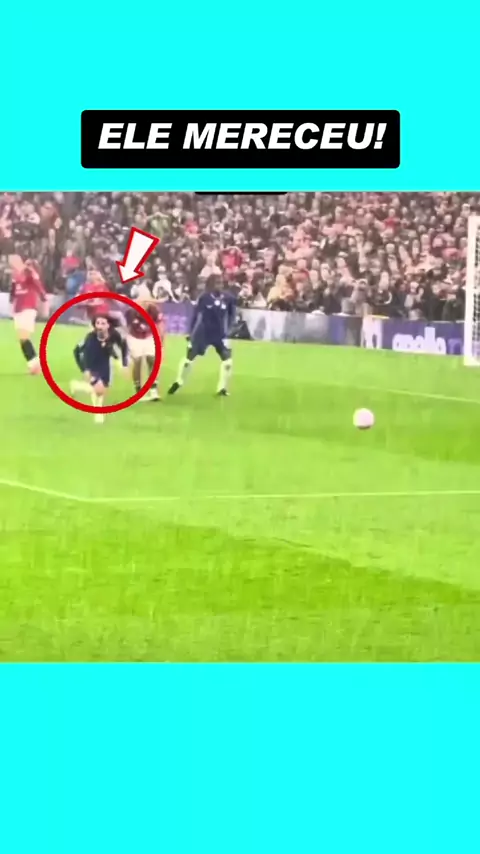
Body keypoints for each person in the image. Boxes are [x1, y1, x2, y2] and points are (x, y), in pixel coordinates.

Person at [168, 274, 235, 397]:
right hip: (203, 333)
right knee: (189, 359)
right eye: (217, 283)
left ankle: (222, 388)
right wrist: (191, 332)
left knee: (228, 361)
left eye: (221, 283)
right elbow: (196, 315)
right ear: (211, 284)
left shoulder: (228, 298)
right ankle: (179, 381)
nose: (220, 285)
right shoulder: (205, 298)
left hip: (220, 334)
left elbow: (232, 314)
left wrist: (229, 329)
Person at [70, 314, 129, 424]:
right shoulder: (90, 338)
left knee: (102, 390)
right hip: (92, 364)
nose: (100, 326)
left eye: (103, 323)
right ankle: (98, 412)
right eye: (98, 323)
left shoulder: (114, 334)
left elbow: (123, 346)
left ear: (108, 325)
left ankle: (77, 385)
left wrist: (124, 364)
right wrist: (85, 369)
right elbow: (77, 352)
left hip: (105, 364)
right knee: (98, 389)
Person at [9, 255, 48, 374]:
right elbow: (14, 289)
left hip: (28, 306)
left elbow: (37, 284)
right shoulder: (15, 275)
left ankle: (36, 364)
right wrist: (11, 299)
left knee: (24, 336)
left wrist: (43, 297)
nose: (11, 263)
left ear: (18, 261)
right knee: (22, 339)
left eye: (13, 260)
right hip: (18, 308)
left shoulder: (28, 272)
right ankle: (34, 365)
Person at [125, 295, 165, 402]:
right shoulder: (130, 312)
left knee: (152, 360)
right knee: (137, 362)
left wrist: (161, 344)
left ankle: (153, 389)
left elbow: (160, 327)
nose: (144, 304)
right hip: (134, 337)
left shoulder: (154, 310)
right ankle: (138, 390)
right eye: (142, 302)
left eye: (146, 302)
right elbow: (125, 328)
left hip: (149, 336)